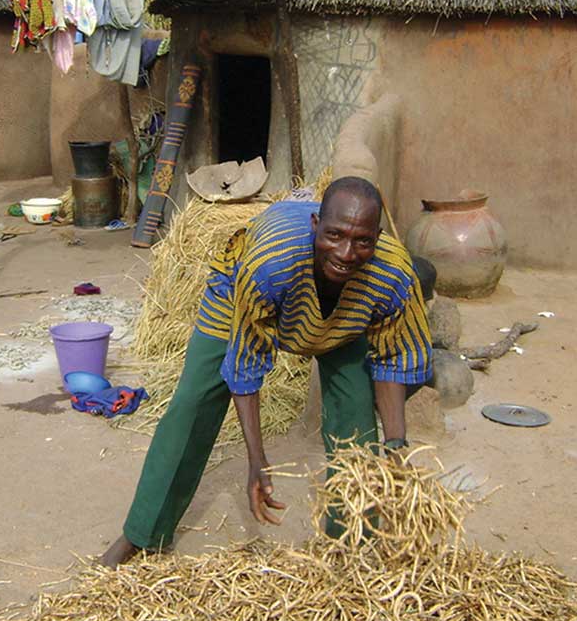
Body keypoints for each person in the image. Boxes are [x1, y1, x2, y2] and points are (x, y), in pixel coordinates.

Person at [102, 176, 433, 567]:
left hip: (343, 318)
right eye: (335, 235)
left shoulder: (392, 276)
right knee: (195, 401)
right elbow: (244, 364)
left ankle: (350, 547)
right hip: (238, 294)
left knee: (356, 419)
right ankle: (143, 532)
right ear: (315, 226)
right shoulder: (269, 265)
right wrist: (257, 459)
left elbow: (395, 359)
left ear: (377, 237)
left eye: (362, 241)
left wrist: (396, 447)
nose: (346, 252)